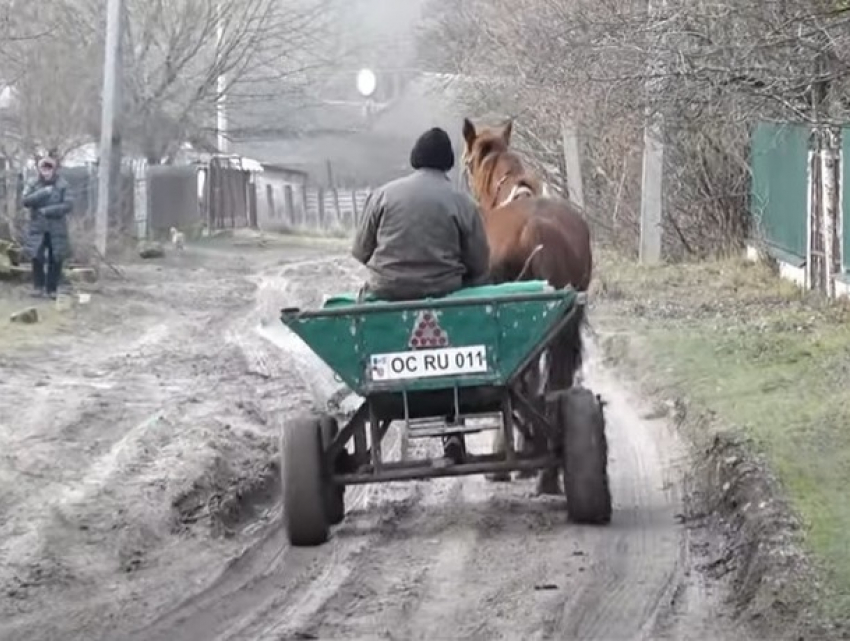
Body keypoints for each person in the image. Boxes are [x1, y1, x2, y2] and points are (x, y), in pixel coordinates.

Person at [352, 127, 491, 464]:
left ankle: (385, 373)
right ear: (448, 163)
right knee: (458, 326)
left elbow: (360, 252)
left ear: (414, 158)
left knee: (364, 306)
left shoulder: (383, 195)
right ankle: (452, 423)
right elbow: (480, 264)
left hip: (388, 292)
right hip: (444, 291)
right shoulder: (463, 202)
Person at [22, 156, 73, 299]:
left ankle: (52, 289)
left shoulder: (63, 185)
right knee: (36, 256)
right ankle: (38, 287)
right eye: (43, 168)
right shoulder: (33, 183)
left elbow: (68, 205)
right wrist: (42, 193)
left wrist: (48, 211)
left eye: (49, 168)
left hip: (57, 227)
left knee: (56, 258)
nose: (46, 171)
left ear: (54, 169)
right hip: (37, 226)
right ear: (39, 169)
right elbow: (25, 200)